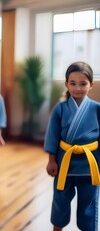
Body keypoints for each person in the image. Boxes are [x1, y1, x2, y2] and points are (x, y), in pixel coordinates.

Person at [45, 62, 100, 231]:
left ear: (91, 85)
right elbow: (52, 136)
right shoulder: (60, 109)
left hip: (89, 166)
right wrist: (51, 160)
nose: (78, 88)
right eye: (73, 83)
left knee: (89, 205)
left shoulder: (97, 109)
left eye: (83, 84)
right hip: (64, 165)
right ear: (66, 84)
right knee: (60, 201)